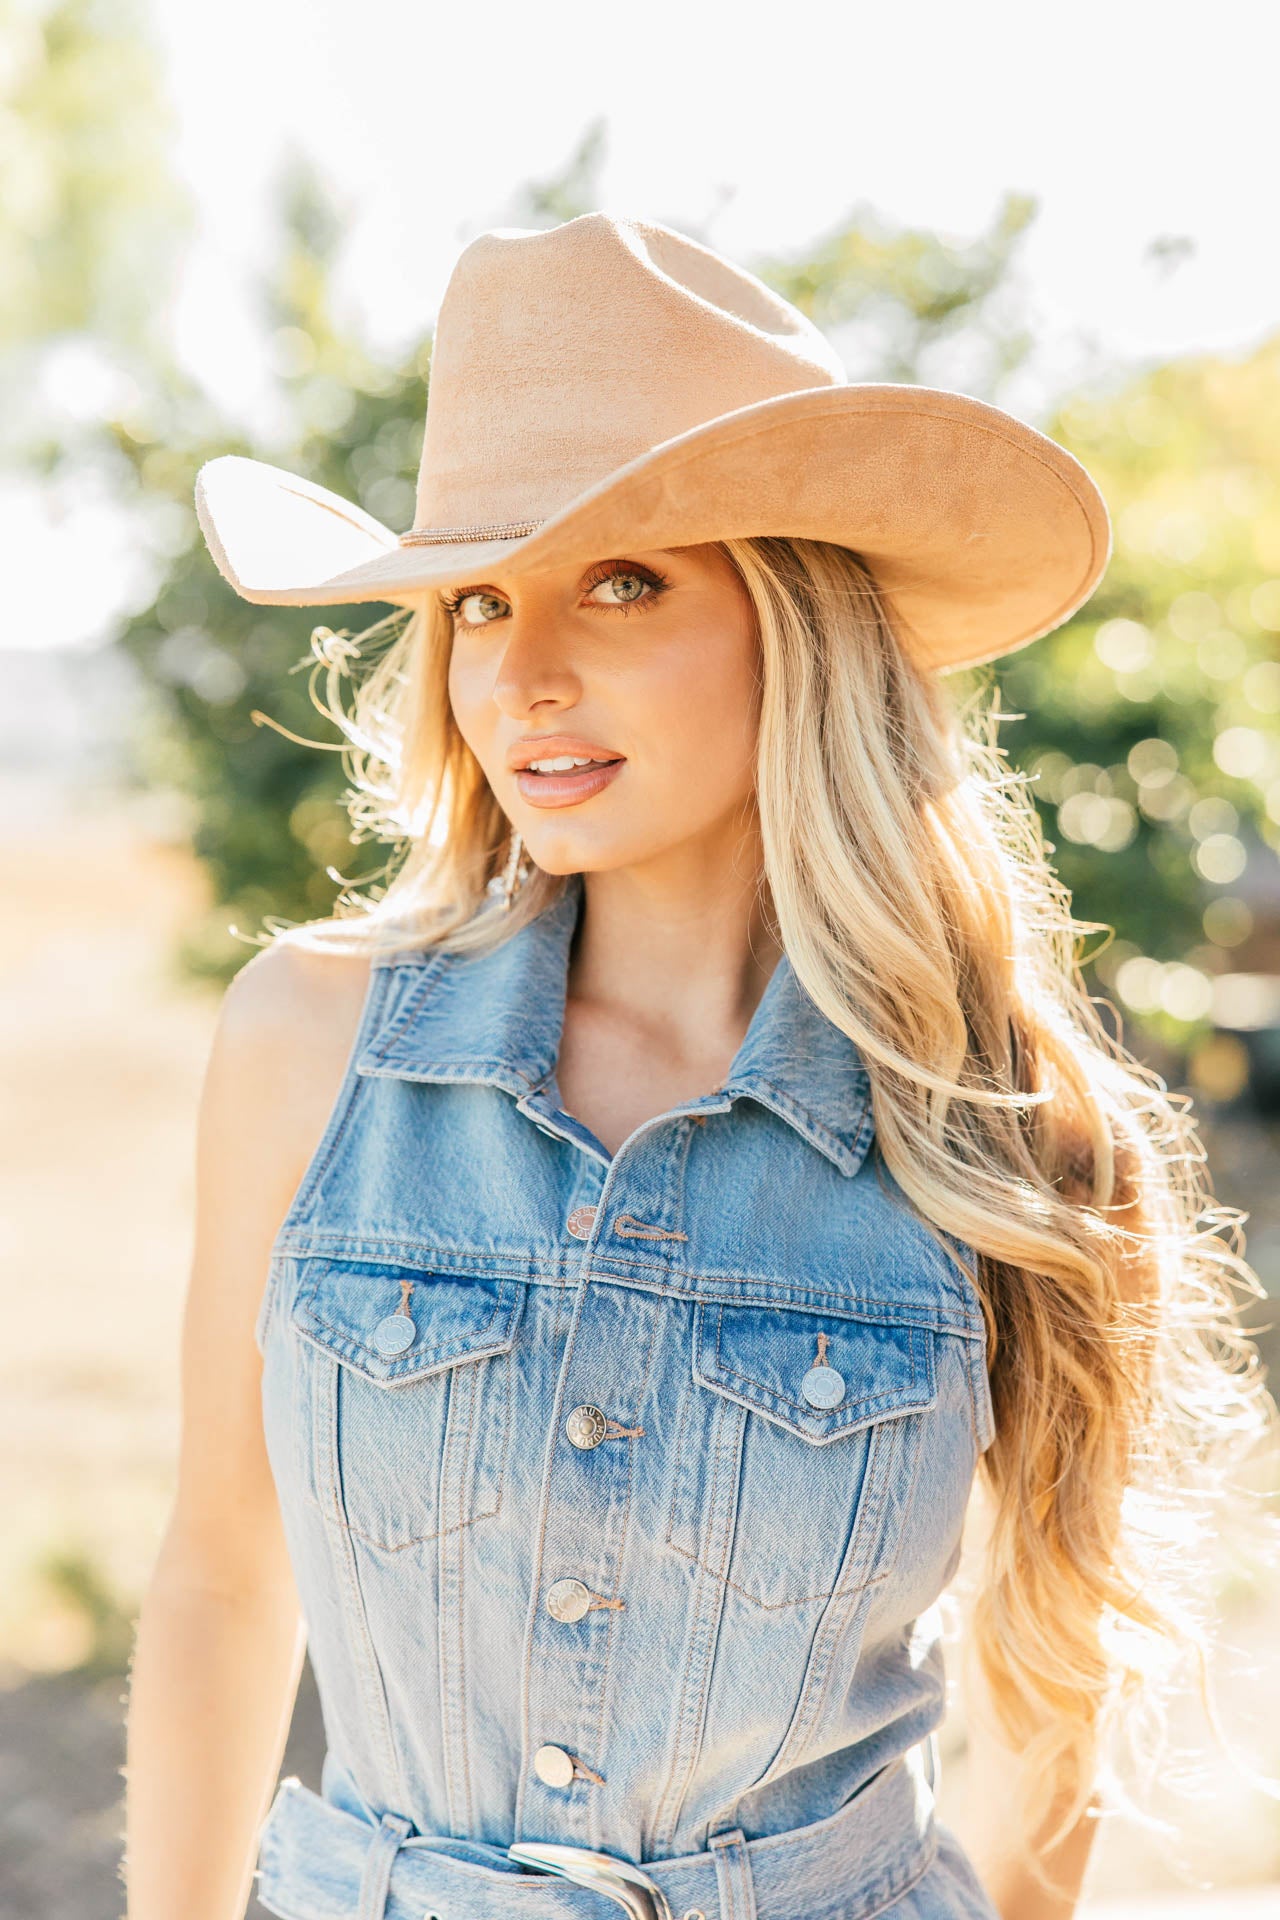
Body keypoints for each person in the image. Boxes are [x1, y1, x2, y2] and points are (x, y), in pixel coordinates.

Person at [123, 212, 1277, 1920]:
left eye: (625, 579)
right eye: (476, 602)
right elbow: (226, 1575)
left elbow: (1048, 1694)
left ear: (802, 624)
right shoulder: (312, 1043)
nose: (521, 675)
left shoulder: (1011, 1137)